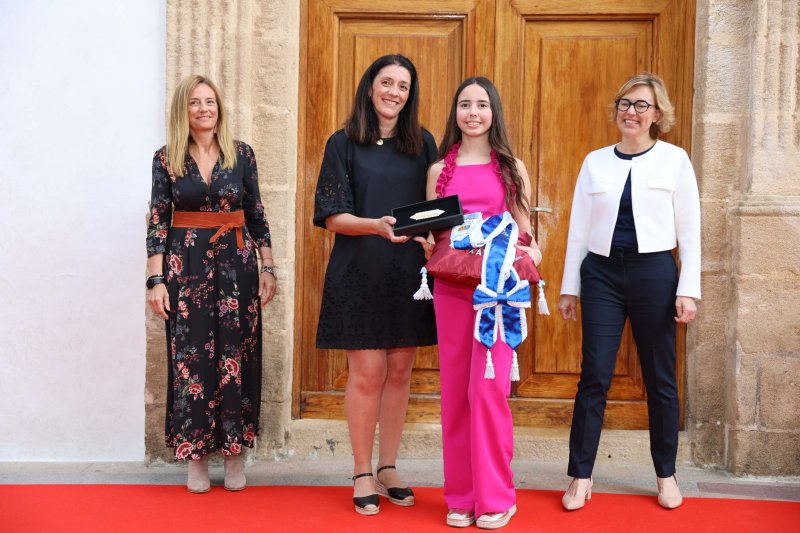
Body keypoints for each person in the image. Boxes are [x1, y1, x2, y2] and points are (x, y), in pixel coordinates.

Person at [557, 73, 700, 510]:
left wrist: (688, 289)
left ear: (657, 115)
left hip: (654, 272)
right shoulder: (594, 162)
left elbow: (690, 230)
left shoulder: (675, 160)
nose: (631, 112)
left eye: (642, 105)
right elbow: (578, 228)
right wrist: (570, 288)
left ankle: (666, 474)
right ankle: (581, 476)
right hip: (600, 274)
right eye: (625, 103)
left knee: (660, 378)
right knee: (594, 374)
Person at [312, 54, 438, 516]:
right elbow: (331, 217)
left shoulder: (422, 143)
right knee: (368, 374)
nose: (394, 92)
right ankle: (361, 469)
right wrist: (375, 225)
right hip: (359, 270)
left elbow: (433, 209)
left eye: (403, 86)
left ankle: (388, 467)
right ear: (370, 87)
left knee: (400, 373)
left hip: (409, 275)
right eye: (387, 82)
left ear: (410, 95)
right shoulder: (342, 143)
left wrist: (429, 237)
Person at [417, 77, 541, 529]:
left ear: (494, 112)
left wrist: (528, 254)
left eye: (482, 104)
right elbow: (432, 233)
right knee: (455, 393)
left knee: (486, 391)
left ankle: (496, 496)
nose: (473, 112)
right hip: (451, 289)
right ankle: (462, 497)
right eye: (465, 104)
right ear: (455, 113)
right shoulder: (438, 171)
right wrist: (425, 243)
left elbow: (526, 234)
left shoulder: (512, 167)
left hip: (498, 292)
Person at [146, 74, 276, 493]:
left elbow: (256, 213)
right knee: (190, 361)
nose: (204, 108)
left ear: (220, 107)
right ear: (183, 110)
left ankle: (235, 454)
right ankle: (196, 457)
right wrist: (156, 280)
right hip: (186, 269)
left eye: (210, 101)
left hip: (237, 267)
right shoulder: (166, 158)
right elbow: (158, 222)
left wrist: (269, 268)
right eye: (195, 102)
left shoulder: (241, 154)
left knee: (237, 354)